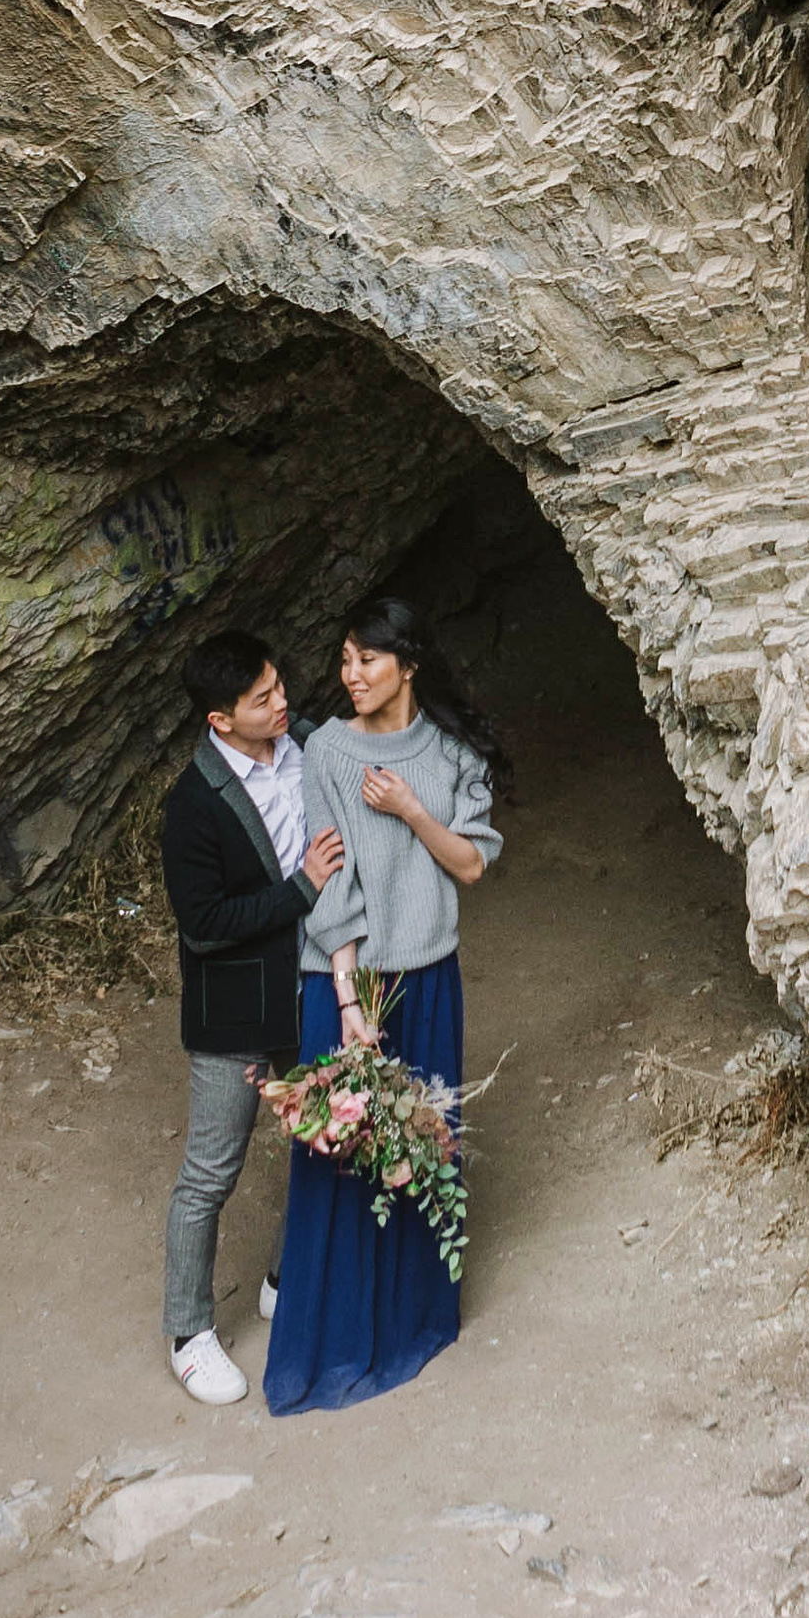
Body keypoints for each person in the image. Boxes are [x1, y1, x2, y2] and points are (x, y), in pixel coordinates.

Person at [263, 597, 505, 1416]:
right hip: (348, 979)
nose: (351, 674)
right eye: (343, 659)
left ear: (407, 663)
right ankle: (329, 1345)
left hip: (429, 973)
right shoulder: (325, 749)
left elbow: (470, 864)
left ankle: (412, 1320)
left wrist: (409, 810)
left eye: (366, 659)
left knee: (422, 1149)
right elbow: (326, 875)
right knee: (339, 1157)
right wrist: (348, 995)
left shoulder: (449, 754)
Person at [157, 632, 347, 1407]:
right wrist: (302, 888)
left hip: (310, 983)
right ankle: (188, 1332)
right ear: (219, 719)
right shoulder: (192, 806)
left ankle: (282, 1278)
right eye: (262, 698)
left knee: (322, 1134)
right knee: (211, 1169)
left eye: (280, 685)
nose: (283, 703)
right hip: (236, 1006)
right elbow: (203, 923)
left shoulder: (302, 744)